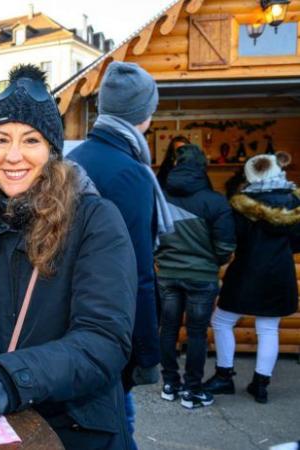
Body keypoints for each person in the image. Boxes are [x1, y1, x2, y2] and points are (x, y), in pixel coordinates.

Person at [0, 65, 137, 449]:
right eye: (1, 140)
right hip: (4, 425)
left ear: (52, 150)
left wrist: (2, 382)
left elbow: (103, 341)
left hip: (76, 429)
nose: (13, 155)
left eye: (30, 140)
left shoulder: (95, 220)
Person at [67, 61, 172, 446]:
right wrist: (148, 351)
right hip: (112, 328)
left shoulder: (75, 159)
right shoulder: (131, 173)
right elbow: (138, 272)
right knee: (119, 423)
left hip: (72, 318)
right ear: (145, 113)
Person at [203, 154, 300, 404]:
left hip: (246, 273)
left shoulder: (240, 206)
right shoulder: (295, 203)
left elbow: (231, 240)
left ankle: (224, 376)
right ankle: (261, 385)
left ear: (250, 175)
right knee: (269, 328)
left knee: (222, 321)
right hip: (280, 273)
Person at [154, 144, 236, 409]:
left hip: (166, 274)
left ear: (176, 165)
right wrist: (212, 262)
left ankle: (169, 384)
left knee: (168, 329)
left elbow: (151, 236)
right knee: (197, 334)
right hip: (202, 277)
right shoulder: (215, 201)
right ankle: (192, 390)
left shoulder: (161, 197)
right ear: (203, 167)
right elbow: (225, 247)